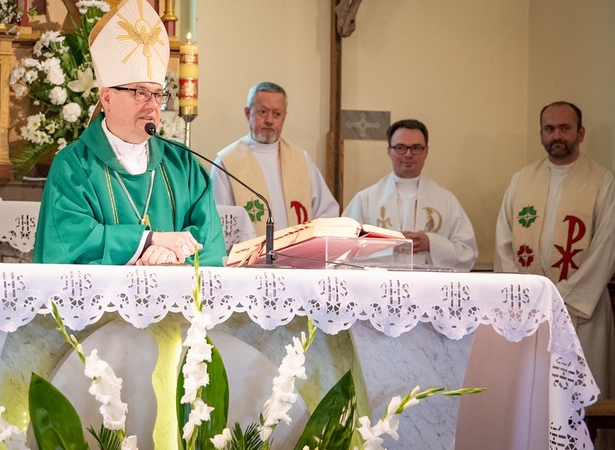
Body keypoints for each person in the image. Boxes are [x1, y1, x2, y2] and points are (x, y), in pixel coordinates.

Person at [34, 0, 225, 266]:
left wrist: (173, 252)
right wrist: (148, 241)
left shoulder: (182, 165)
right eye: (140, 93)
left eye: (158, 95)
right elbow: (68, 241)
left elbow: (210, 238)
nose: (152, 105)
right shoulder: (74, 166)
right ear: (108, 98)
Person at [495, 101, 615, 397]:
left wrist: (563, 296)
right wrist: (524, 293)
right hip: (529, 310)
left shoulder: (601, 180)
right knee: (530, 393)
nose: (556, 135)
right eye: (549, 129)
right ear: (541, 134)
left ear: (580, 133)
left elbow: (606, 246)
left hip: (582, 312)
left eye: (565, 128)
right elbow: (503, 243)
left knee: (580, 396)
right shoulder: (522, 179)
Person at [342, 118, 478, 271]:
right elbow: (342, 248)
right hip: (380, 289)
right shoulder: (365, 199)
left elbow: (467, 252)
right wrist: (388, 245)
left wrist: (431, 244)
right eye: (400, 147)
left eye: (416, 148)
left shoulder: (446, 200)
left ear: (426, 151)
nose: (408, 154)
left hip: (430, 289)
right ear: (389, 151)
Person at [211, 82, 339, 237]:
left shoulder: (301, 160)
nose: (269, 120)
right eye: (262, 112)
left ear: (284, 117)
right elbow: (221, 220)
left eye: (276, 114)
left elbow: (327, 212)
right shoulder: (226, 163)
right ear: (247, 113)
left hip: (298, 258)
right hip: (250, 259)